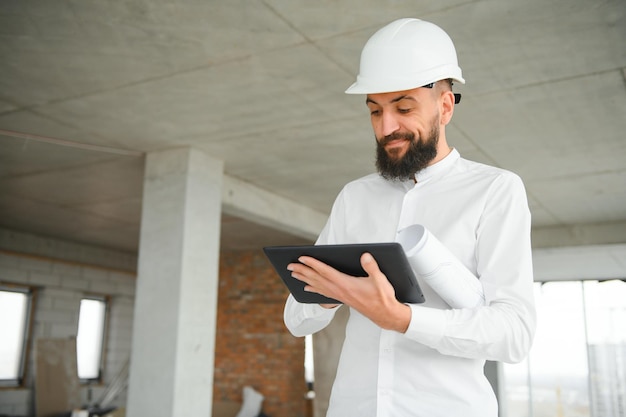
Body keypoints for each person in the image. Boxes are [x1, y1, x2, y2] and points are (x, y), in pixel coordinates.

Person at [283, 17, 536, 417]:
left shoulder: (495, 190)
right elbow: (297, 319)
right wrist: (335, 294)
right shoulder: (355, 197)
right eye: (374, 111)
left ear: (445, 106)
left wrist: (401, 318)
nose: (387, 127)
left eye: (403, 108)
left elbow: (514, 335)